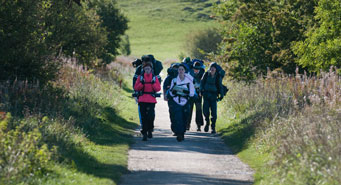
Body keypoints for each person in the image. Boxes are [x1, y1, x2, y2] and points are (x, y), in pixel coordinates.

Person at [134, 62, 161, 141]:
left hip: (151, 100)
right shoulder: (140, 77)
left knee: (151, 116)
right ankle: (145, 132)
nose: (147, 70)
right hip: (142, 99)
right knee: (143, 117)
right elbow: (136, 88)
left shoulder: (154, 78)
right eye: (146, 69)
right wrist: (141, 84)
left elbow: (158, 88)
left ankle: (150, 129)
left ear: (151, 69)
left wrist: (153, 84)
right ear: (143, 69)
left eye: (148, 68)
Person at [168, 64, 195, 141]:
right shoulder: (174, 80)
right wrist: (175, 92)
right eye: (179, 69)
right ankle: (179, 134)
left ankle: (182, 132)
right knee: (178, 117)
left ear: (185, 71)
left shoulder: (189, 81)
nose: (180, 71)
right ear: (177, 71)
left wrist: (184, 92)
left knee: (185, 118)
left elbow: (192, 93)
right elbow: (171, 92)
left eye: (182, 69)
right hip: (176, 101)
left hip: (186, 101)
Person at [200, 62, 224, 134]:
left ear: (216, 69)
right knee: (205, 111)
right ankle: (207, 122)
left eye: (214, 68)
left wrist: (221, 95)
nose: (212, 69)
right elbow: (202, 82)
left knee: (214, 113)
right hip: (206, 95)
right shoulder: (206, 74)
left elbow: (220, 86)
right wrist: (200, 90)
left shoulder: (217, 76)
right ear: (210, 69)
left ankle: (213, 127)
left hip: (214, 96)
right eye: (211, 68)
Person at [186, 61, 205, 131]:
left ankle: (199, 125)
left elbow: (203, 84)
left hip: (198, 93)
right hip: (191, 93)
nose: (196, 70)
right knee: (189, 109)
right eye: (195, 69)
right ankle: (187, 125)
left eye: (197, 69)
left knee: (199, 110)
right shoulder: (189, 73)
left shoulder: (203, 74)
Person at [163, 63, 180, 135]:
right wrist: (165, 96)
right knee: (172, 113)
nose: (175, 69)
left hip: (180, 98)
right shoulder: (168, 78)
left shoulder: (182, 77)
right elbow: (164, 87)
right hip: (171, 98)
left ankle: (179, 129)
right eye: (174, 68)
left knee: (180, 114)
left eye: (177, 68)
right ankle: (174, 129)